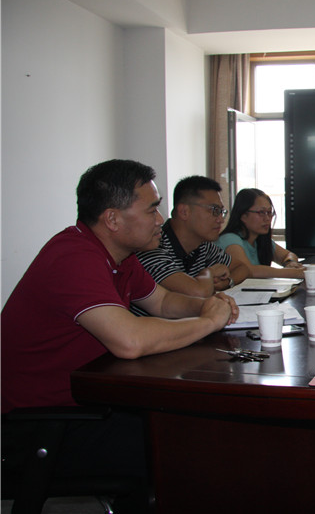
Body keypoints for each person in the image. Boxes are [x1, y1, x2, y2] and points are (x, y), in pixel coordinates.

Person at [1, 159, 239, 512]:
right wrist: (209, 323)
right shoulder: (73, 257)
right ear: (112, 219)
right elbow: (130, 341)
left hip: (90, 402)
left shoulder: (121, 256)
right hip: (41, 426)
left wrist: (206, 306)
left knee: (194, 424)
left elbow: (163, 302)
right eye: (152, 210)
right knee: (192, 442)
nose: (160, 220)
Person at [136, 176, 249, 304]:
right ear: (184, 212)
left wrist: (227, 282)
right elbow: (199, 292)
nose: (221, 220)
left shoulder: (202, 245)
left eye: (221, 212)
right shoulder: (153, 246)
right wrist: (209, 272)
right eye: (214, 210)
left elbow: (242, 268)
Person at [216, 188, 315, 280]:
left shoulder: (260, 240)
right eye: (261, 212)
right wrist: (297, 273)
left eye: (269, 212)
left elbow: (288, 254)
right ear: (243, 215)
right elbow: (247, 270)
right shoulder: (229, 239)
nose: (267, 218)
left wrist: (290, 262)